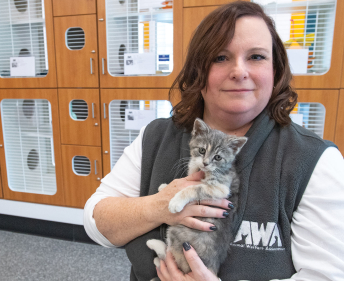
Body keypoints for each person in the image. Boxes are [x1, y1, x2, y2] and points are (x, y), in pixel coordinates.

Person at [83, 2, 344, 281]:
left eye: (256, 57)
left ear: (276, 71)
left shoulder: (313, 160)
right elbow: (96, 223)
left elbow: (328, 275)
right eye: (220, 57)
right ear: (197, 70)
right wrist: (159, 206)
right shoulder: (156, 137)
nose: (239, 71)